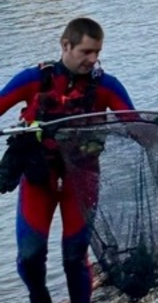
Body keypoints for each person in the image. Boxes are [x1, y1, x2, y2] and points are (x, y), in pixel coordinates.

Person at [0, 18, 135, 303]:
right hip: (39, 180)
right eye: (86, 52)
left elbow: (134, 124)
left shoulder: (107, 86)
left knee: (75, 256)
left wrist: (141, 132)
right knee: (30, 256)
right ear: (66, 45)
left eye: (97, 52)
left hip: (82, 181)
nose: (93, 59)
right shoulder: (33, 80)